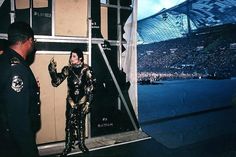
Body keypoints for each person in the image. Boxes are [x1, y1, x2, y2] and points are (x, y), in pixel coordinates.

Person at [0, 21, 41, 157]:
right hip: (15, 144)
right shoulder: (17, 68)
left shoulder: (4, 60)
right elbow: (18, 117)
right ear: (28, 41)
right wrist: (29, 151)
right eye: (33, 41)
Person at [48, 48, 96, 156]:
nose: (71, 58)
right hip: (71, 101)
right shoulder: (67, 69)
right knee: (69, 123)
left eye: (74, 56)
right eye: (71, 56)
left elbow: (91, 87)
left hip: (82, 100)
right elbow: (56, 82)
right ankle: (68, 146)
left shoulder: (87, 70)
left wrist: (88, 102)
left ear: (80, 58)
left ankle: (82, 144)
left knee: (81, 123)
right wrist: (52, 70)